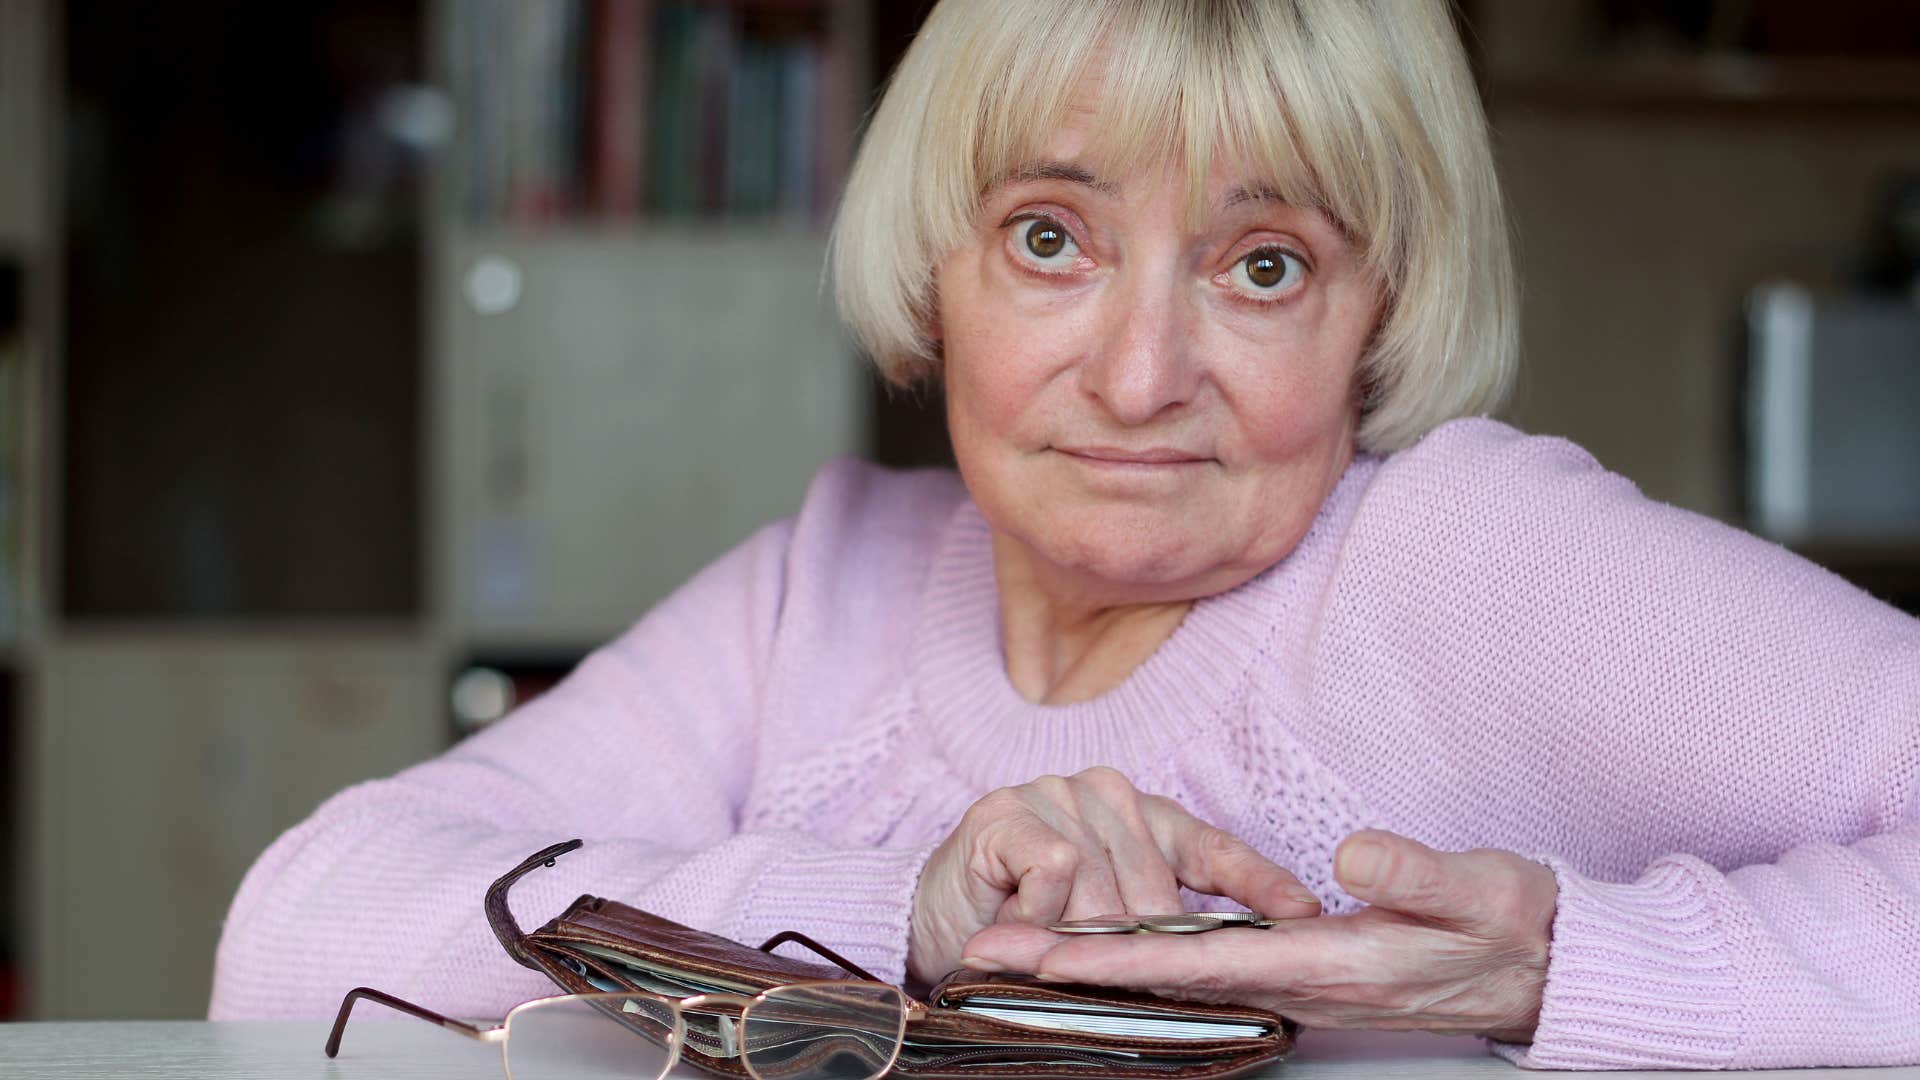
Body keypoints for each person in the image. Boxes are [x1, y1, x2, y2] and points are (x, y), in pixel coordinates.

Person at [209, 0, 1920, 1069]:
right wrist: (905, 920)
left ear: (1379, 308)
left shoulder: (1469, 560)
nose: (1139, 372)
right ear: (933, 262)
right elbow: (293, 934)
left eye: (1266, 265)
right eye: (1051, 237)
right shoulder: (832, 587)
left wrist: (1561, 970)